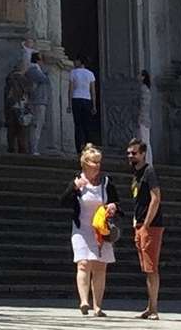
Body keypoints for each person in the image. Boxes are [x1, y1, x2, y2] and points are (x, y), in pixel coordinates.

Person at [65, 144, 117, 316]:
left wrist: (113, 206)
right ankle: (84, 301)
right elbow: (62, 201)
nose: (97, 166)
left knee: (100, 267)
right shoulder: (77, 181)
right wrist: (73, 188)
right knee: (83, 263)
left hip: (100, 230)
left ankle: (98, 306)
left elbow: (118, 203)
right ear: (85, 163)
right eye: (94, 162)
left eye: (99, 162)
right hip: (81, 229)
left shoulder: (106, 182)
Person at [125, 137, 163, 319]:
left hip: (151, 226)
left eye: (134, 153)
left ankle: (154, 308)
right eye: (129, 153)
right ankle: (150, 306)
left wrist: (147, 224)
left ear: (142, 154)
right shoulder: (136, 174)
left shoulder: (149, 172)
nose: (130, 156)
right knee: (146, 267)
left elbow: (156, 198)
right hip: (139, 224)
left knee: (151, 267)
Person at [3, 61, 33, 153]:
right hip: (20, 106)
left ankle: (11, 148)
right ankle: (22, 150)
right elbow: (28, 92)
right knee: (21, 131)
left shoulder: (9, 79)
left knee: (11, 130)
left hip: (10, 106)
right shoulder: (23, 79)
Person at [70, 59, 99, 153]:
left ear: (80, 62)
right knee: (87, 125)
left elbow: (70, 89)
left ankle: (78, 148)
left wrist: (69, 103)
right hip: (87, 99)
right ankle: (88, 147)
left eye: (76, 61)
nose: (74, 62)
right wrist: (94, 105)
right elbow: (93, 91)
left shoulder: (73, 72)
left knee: (78, 125)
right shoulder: (90, 74)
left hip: (76, 98)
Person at [26, 52, 52, 155]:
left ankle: (34, 148)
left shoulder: (36, 70)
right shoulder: (34, 70)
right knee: (36, 126)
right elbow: (45, 79)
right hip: (37, 101)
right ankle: (34, 149)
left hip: (39, 100)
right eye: (41, 60)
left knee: (38, 126)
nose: (43, 62)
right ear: (38, 60)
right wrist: (45, 71)